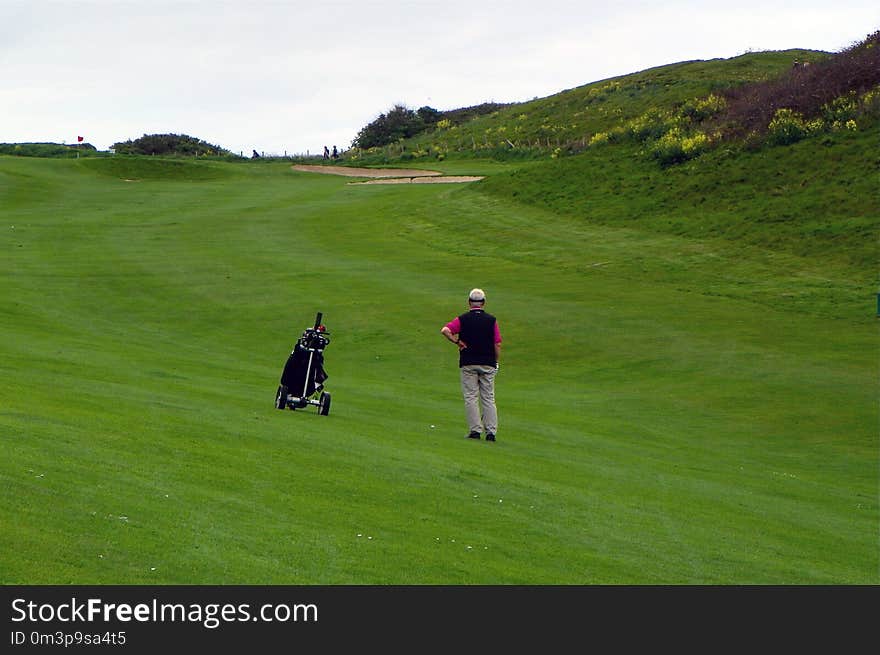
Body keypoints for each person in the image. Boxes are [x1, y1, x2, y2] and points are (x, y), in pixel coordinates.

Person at [440, 288, 502, 442]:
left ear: (469, 302)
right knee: (488, 398)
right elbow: (497, 344)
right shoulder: (491, 320)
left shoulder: (462, 319)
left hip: (468, 362)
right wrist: (496, 361)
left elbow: (445, 330)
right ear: (483, 303)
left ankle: (475, 430)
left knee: (471, 397)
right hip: (487, 363)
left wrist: (456, 341)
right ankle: (491, 432)